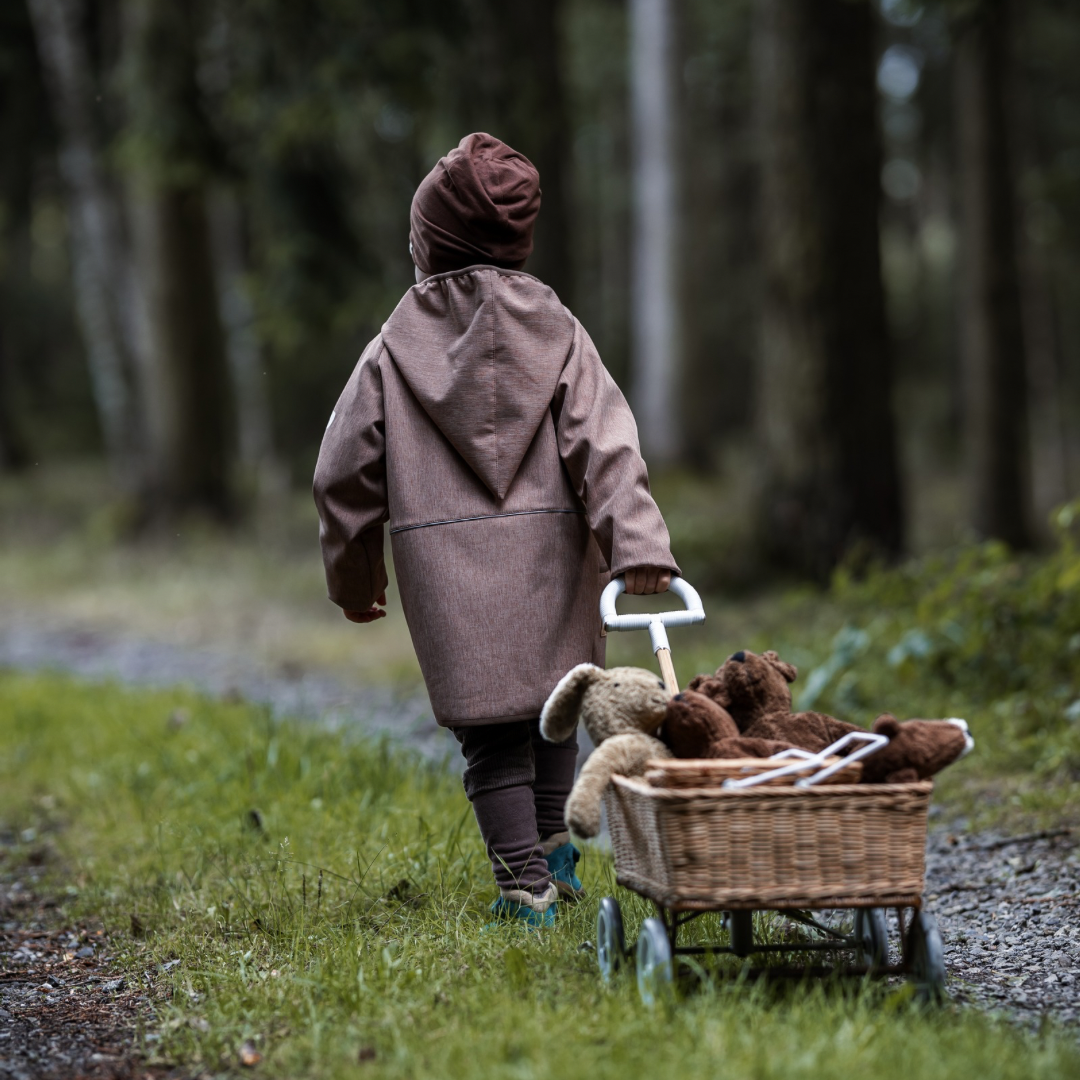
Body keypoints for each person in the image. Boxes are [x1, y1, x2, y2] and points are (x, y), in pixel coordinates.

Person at [313, 132, 678, 928]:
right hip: (554, 559)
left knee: (491, 740)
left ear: (428, 245)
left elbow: (341, 472)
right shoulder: (559, 333)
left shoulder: (390, 352)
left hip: (447, 570)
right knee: (554, 711)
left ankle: (526, 887)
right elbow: (607, 444)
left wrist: (355, 572)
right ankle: (553, 856)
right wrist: (638, 546)